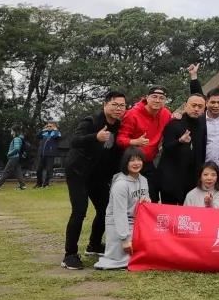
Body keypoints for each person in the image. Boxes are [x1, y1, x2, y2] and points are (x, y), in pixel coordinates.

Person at [62, 91, 126, 270]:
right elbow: (74, 141)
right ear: (105, 104)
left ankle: (94, 245)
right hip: (78, 171)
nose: (118, 108)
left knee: (106, 209)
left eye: (122, 105)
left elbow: (114, 154)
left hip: (97, 175)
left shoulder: (118, 126)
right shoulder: (91, 121)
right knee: (80, 210)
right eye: (115, 104)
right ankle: (70, 255)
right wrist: (95, 137)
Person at [94, 147, 150, 271]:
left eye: (139, 160)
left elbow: (147, 201)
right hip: (118, 225)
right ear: (126, 163)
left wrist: (146, 201)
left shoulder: (144, 180)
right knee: (125, 257)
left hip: (137, 222)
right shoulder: (120, 185)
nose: (136, 163)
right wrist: (124, 239)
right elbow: (119, 214)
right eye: (132, 160)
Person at [116, 86, 172, 202]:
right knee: (130, 199)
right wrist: (135, 142)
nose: (157, 100)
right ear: (146, 98)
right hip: (131, 162)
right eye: (154, 97)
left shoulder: (166, 114)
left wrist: (178, 117)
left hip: (148, 162)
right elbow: (120, 139)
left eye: (161, 98)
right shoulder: (132, 114)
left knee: (152, 197)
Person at [157, 93, 210, 205]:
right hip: (171, 178)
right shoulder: (174, 123)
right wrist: (179, 141)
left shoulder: (202, 125)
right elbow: (166, 147)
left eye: (200, 106)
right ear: (186, 106)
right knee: (169, 214)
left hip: (191, 179)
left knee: (187, 216)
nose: (196, 109)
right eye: (193, 105)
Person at [35, 122, 61, 188]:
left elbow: (56, 136)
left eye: (50, 126)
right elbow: (37, 136)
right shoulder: (44, 134)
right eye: (48, 126)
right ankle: (39, 184)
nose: (48, 127)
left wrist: (55, 129)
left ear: (54, 127)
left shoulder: (56, 133)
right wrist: (43, 130)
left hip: (50, 154)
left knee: (48, 170)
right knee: (38, 169)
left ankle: (46, 184)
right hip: (42, 154)